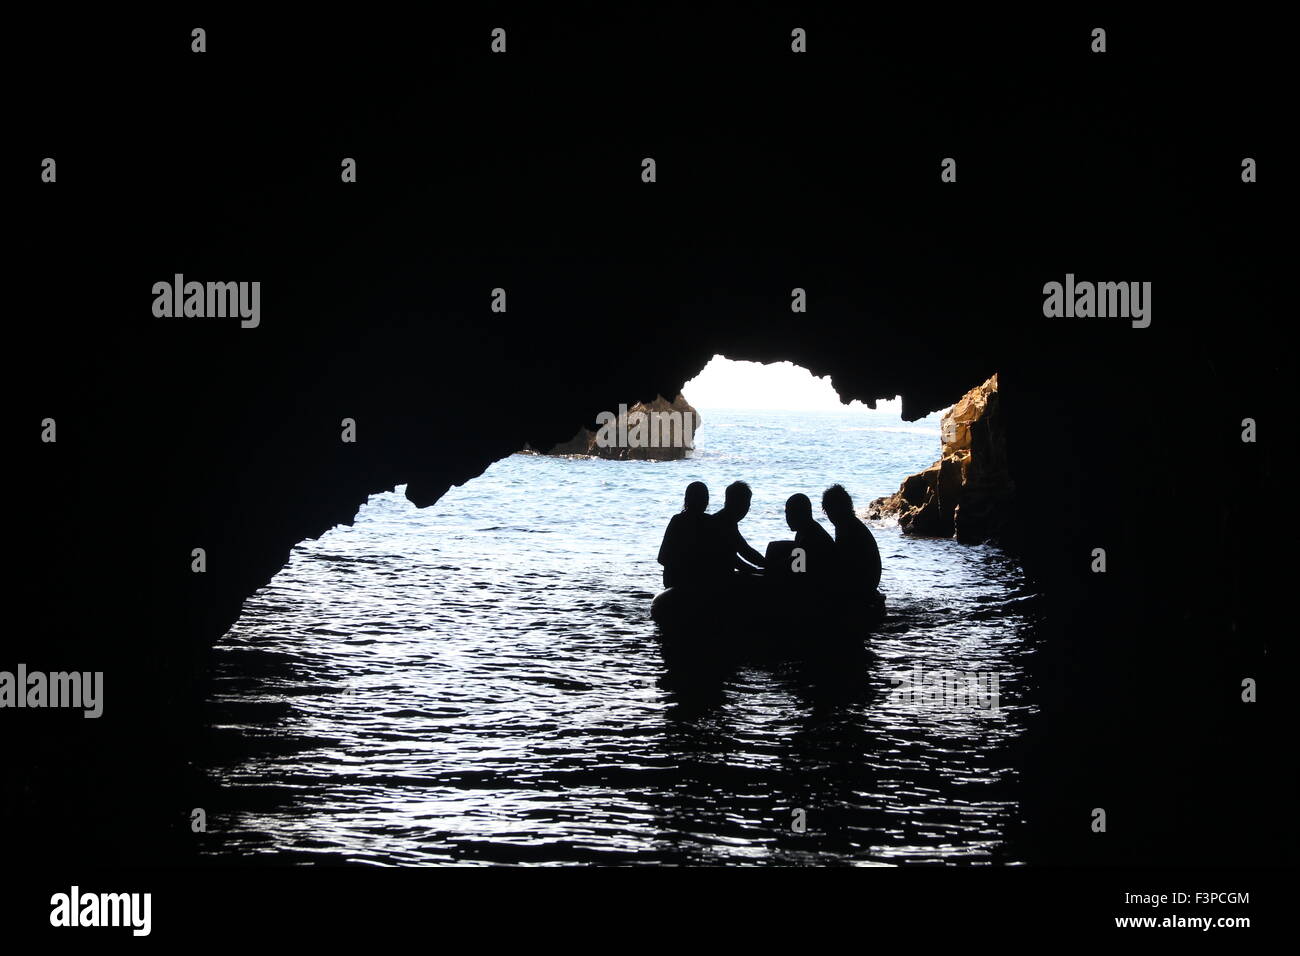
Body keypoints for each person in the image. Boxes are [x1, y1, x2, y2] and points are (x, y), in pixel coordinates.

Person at [821, 484, 882, 594]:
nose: (829, 515)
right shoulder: (851, 524)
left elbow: (843, 564)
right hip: (869, 581)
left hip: (862, 585)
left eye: (828, 510)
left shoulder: (847, 529)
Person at [705, 481, 766, 577]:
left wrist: (763, 565)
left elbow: (743, 550)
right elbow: (740, 553)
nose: (746, 508)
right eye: (746, 504)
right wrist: (764, 567)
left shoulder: (722, 520)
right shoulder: (724, 523)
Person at [657, 481, 711, 588]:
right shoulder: (710, 522)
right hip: (696, 582)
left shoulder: (677, 520)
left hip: (674, 580)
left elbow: (662, 557)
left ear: (686, 500)